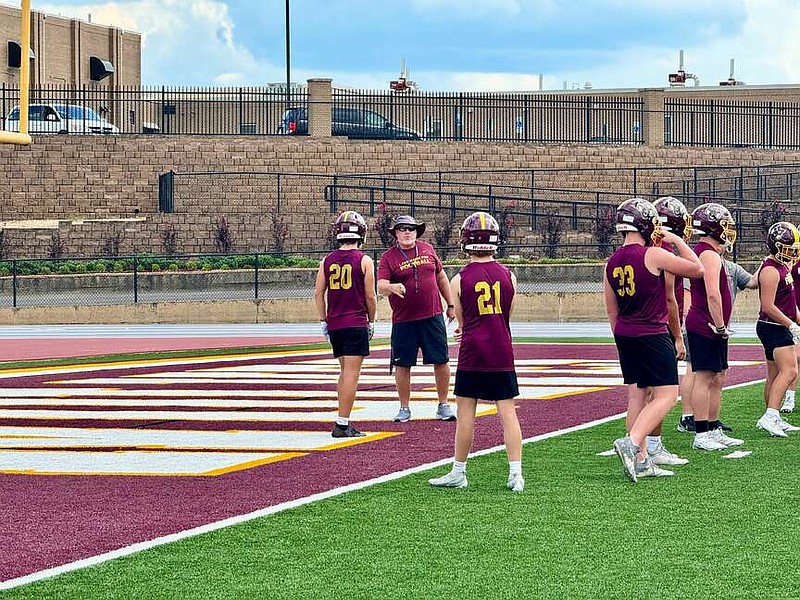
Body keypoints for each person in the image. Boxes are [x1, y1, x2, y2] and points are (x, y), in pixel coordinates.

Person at [606, 198, 704, 482]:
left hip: (625, 334)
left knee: (638, 394)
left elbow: (612, 310)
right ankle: (632, 442)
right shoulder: (653, 254)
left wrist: (622, 338)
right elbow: (697, 269)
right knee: (666, 395)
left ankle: (640, 461)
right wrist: (674, 239)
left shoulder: (611, 261)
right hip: (651, 332)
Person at [428, 212, 523, 491]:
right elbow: (506, 316)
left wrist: (465, 328)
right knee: (507, 411)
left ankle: (459, 471)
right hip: (501, 350)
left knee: (466, 411)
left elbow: (462, 320)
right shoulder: (509, 276)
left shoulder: (459, 279)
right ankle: (516, 473)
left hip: (473, 352)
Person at [377, 215, 457, 423]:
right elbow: (380, 285)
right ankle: (404, 407)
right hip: (404, 320)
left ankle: (443, 404)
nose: (407, 232)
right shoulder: (388, 257)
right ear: (395, 233)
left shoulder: (428, 249)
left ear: (416, 232)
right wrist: (392, 287)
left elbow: (440, 276)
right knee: (403, 364)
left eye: (411, 229)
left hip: (432, 316)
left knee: (441, 360)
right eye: (402, 229)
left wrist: (450, 304)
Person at [684, 202, 745, 451]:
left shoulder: (711, 253)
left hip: (710, 325)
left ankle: (713, 426)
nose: (728, 230)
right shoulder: (707, 254)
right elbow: (713, 294)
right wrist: (720, 326)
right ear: (713, 227)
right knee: (705, 376)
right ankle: (701, 433)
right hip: (705, 324)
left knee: (718, 377)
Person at [314, 210, 377, 438]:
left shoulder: (327, 260)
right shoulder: (364, 260)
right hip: (355, 321)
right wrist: (372, 320)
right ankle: (342, 423)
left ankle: (342, 419)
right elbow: (370, 296)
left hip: (335, 323)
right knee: (351, 374)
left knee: (344, 373)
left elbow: (318, 293)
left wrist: (323, 319)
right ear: (361, 233)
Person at [677, 257, 758, 433]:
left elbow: (752, 282)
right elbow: (689, 295)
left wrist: (768, 262)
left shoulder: (730, 267)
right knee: (695, 371)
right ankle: (688, 416)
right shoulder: (698, 262)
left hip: (719, 328)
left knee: (717, 375)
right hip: (703, 326)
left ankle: (711, 421)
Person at [754, 221, 800, 437]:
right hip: (773, 326)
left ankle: (772, 417)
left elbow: (788, 301)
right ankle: (771, 415)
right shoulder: (771, 269)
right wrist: (790, 324)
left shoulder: (782, 266)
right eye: (788, 248)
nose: (792, 252)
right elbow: (768, 305)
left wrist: (797, 318)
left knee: (773, 375)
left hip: (775, 324)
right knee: (790, 370)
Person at [781, 257, 800, 413]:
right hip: (795, 315)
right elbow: (789, 289)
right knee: (796, 358)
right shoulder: (792, 261)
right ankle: (790, 396)